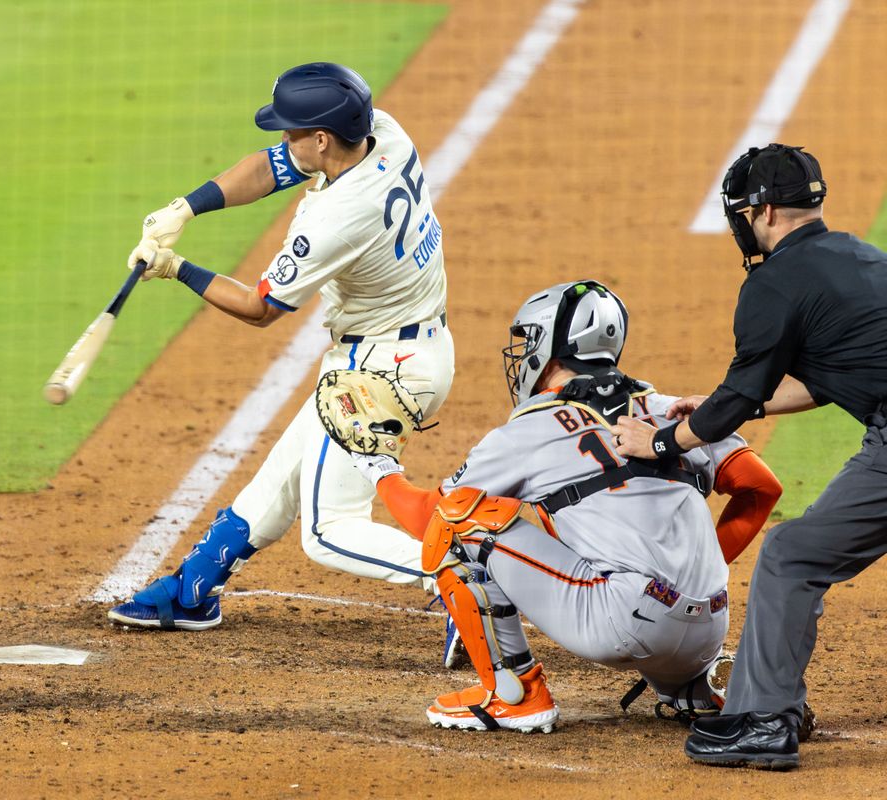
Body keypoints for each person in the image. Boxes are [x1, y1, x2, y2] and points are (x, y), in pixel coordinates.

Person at [107, 63, 455, 630]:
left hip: (378, 374)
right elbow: (273, 169)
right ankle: (194, 591)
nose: (282, 140)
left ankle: (461, 578)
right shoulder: (382, 132)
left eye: (292, 131)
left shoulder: (337, 219)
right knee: (282, 476)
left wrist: (175, 268)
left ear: (322, 138)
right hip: (407, 351)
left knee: (328, 533)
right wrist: (185, 208)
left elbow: (259, 308)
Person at [351, 280, 783, 732]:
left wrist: (379, 468)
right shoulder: (674, 411)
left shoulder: (527, 431)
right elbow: (760, 488)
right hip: (707, 627)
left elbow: (430, 519)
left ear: (549, 349)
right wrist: (697, 569)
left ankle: (513, 695)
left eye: (527, 341)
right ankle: (693, 689)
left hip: (622, 626)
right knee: (561, 514)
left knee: (461, 522)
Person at [615, 143, 887, 770]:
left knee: (793, 557)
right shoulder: (858, 258)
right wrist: (729, 403)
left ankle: (765, 722)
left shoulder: (773, 283)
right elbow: (829, 373)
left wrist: (660, 442)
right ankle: (769, 709)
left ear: (761, 210)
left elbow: (737, 398)